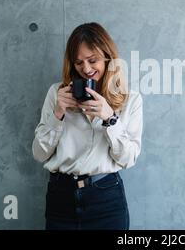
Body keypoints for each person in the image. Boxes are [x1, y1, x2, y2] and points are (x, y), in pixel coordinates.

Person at [32, 22, 143, 230]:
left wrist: (110, 118)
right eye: (78, 62)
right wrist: (58, 113)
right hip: (60, 197)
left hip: (106, 198)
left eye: (93, 60)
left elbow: (128, 159)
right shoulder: (57, 93)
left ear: (108, 58)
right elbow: (39, 154)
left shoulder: (130, 100)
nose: (86, 69)